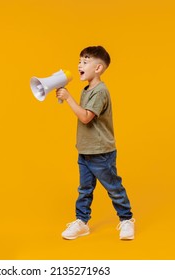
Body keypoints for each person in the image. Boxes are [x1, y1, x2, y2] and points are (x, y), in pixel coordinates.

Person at [56, 46, 135, 240]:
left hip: (101, 152)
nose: (79, 64)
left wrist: (68, 98)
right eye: (79, 61)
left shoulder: (100, 91)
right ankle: (82, 222)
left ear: (98, 68)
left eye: (85, 61)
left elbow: (85, 117)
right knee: (84, 190)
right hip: (85, 150)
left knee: (114, 188)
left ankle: (127, 220)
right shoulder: (87, 89)